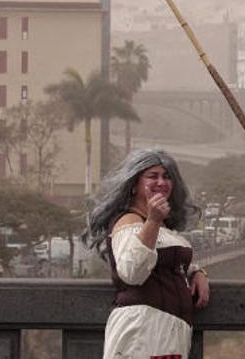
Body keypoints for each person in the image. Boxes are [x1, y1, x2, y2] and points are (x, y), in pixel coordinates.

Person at [83, 148, 210, 358]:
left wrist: (197, 273)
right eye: (152, 176)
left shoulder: (161, 227)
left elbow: (165, 261)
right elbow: (132, 272)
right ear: (134, 184)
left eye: (167, 176)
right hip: (142, 332)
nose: (161, 182)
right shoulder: (129, 222)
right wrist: (152, 221)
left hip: (167, 333)